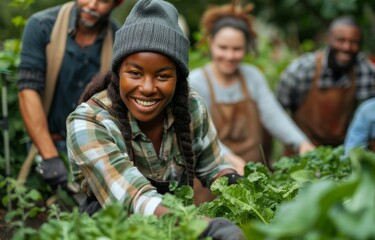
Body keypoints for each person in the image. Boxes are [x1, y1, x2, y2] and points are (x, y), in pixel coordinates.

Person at [66, 0, 244, 238]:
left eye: (163, 75)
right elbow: (134, 197)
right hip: (112, 231)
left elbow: (213, 166)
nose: (148, 88)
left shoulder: (190, 107)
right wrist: (204, 226)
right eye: (135, 73)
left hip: (177, 227)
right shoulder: (89, 121)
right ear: (118, 72)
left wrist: (238, 185)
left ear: (178, 78)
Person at [189, 2, 315, 170]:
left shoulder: (252, 76)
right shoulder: (197, 81)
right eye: (223, 48)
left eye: (237, 49)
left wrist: (301, 143)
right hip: (212, 174)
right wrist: (227, 157)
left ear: (246, 48)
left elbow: (274, 115)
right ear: (211, 43)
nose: (229, 56)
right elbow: (202, 133)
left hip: (253, 171)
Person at [17, 0, 122, 192]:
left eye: (103, 1)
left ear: (118, 3)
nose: (92, 5)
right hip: (48, 141)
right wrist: (50, 157)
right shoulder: (42, 26)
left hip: (95, 147)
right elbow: (28, 91)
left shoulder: (119, 40)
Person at [276, 16, 375, 153]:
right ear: (328, 39)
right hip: (300, 149)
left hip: (340, 150)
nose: (347, 47)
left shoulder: (365, 71)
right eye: (341, 40)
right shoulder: (303, 69)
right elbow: (276, 111)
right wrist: (297, 142)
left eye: (354, 42)